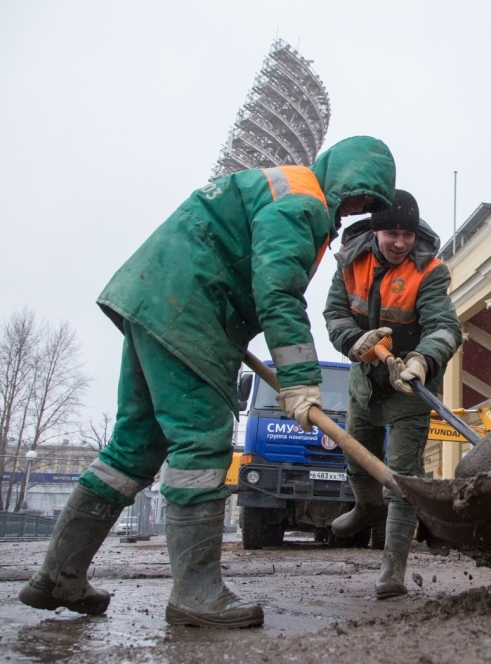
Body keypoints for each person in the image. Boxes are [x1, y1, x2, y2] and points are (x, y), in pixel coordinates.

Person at [19, 136, 396, 628]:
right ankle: (196, 593)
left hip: (154, 297)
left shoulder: (286, 191)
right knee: (201, 443)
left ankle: (57, 576)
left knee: (132, 448)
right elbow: (278, 291)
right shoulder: (304, 204)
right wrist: (300, 378)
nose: (358, 207)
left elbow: (238, 260)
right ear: (343, 177)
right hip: (189, 314)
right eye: (360, 195)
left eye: (369, 203)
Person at [323, 189, 462, 599]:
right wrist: (355, 340)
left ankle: (392, 568)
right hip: (365, 384)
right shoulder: (350, 262)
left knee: (402, 475)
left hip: (409, 387)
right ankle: (366, 506)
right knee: (357, 454)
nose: (400, 242)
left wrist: (423, 359)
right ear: (377, 231)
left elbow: (444, 326)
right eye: (391, 234)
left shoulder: (429, 271)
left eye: (407, 233)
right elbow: (334, 314)